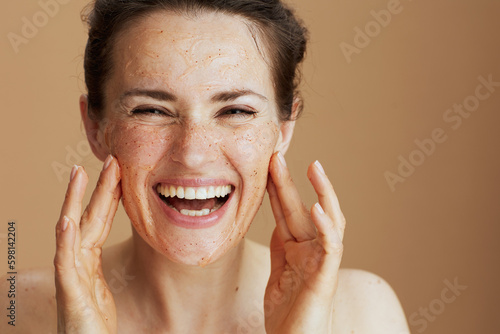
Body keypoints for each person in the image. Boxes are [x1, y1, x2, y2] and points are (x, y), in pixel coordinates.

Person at [1, 0, 410, 333]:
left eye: (235, 110)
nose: (193, 153)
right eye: (151, 109)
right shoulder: (12, 312)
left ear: (284, 128)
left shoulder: (363, 313)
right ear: (96, 127)